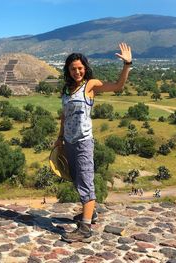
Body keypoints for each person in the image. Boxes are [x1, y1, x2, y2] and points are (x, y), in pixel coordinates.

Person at [55, 43, 132, 243]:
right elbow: (65, 116)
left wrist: (127, 64)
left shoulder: (90, 85)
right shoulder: (67, 89)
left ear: (85, 68)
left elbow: (117, 86)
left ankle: (85, 229)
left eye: (80, 68)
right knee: (76, 178)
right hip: (69, 141)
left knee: (86, 180)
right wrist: (60, 138)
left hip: (83, 142)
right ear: (68, 70)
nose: (77, 71)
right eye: (73, 69)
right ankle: (91, 214)